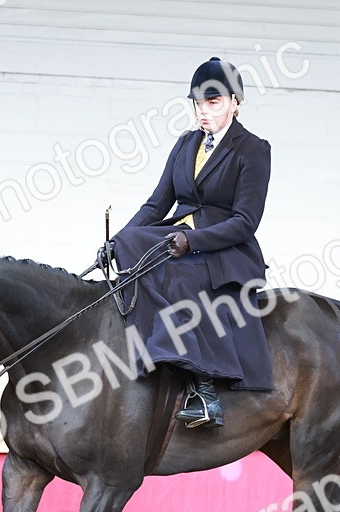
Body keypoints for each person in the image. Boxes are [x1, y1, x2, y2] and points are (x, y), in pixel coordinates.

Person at [104, 56, 275, 429]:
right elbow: (156, 204)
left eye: (212, 103)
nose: (203, 112)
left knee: (172, 274)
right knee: (133, 244)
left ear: (235, 102)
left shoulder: (253, 149)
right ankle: (143, 352)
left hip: (224, 250)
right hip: (177, 236)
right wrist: (116, 240)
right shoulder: (185, 144)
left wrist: (193, 240)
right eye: (197, 104)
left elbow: (245, 222)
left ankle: (205, 389)